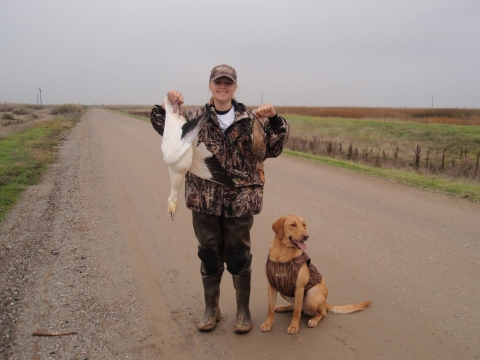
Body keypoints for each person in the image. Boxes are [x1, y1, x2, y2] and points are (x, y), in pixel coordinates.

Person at [150, 64, 289, 333]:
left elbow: (275, 146)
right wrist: (170, 100)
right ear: (210, 85)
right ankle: (211, 309)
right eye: (218, 82)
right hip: (204, 200)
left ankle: (242, 311)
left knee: (239, 255)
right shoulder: (193, 116)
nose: (222, 87)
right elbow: (161, 123)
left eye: (228, 82)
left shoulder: (252, 118)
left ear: (235, 87)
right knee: (209, 254)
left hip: (241, 202)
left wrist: (273, 118)